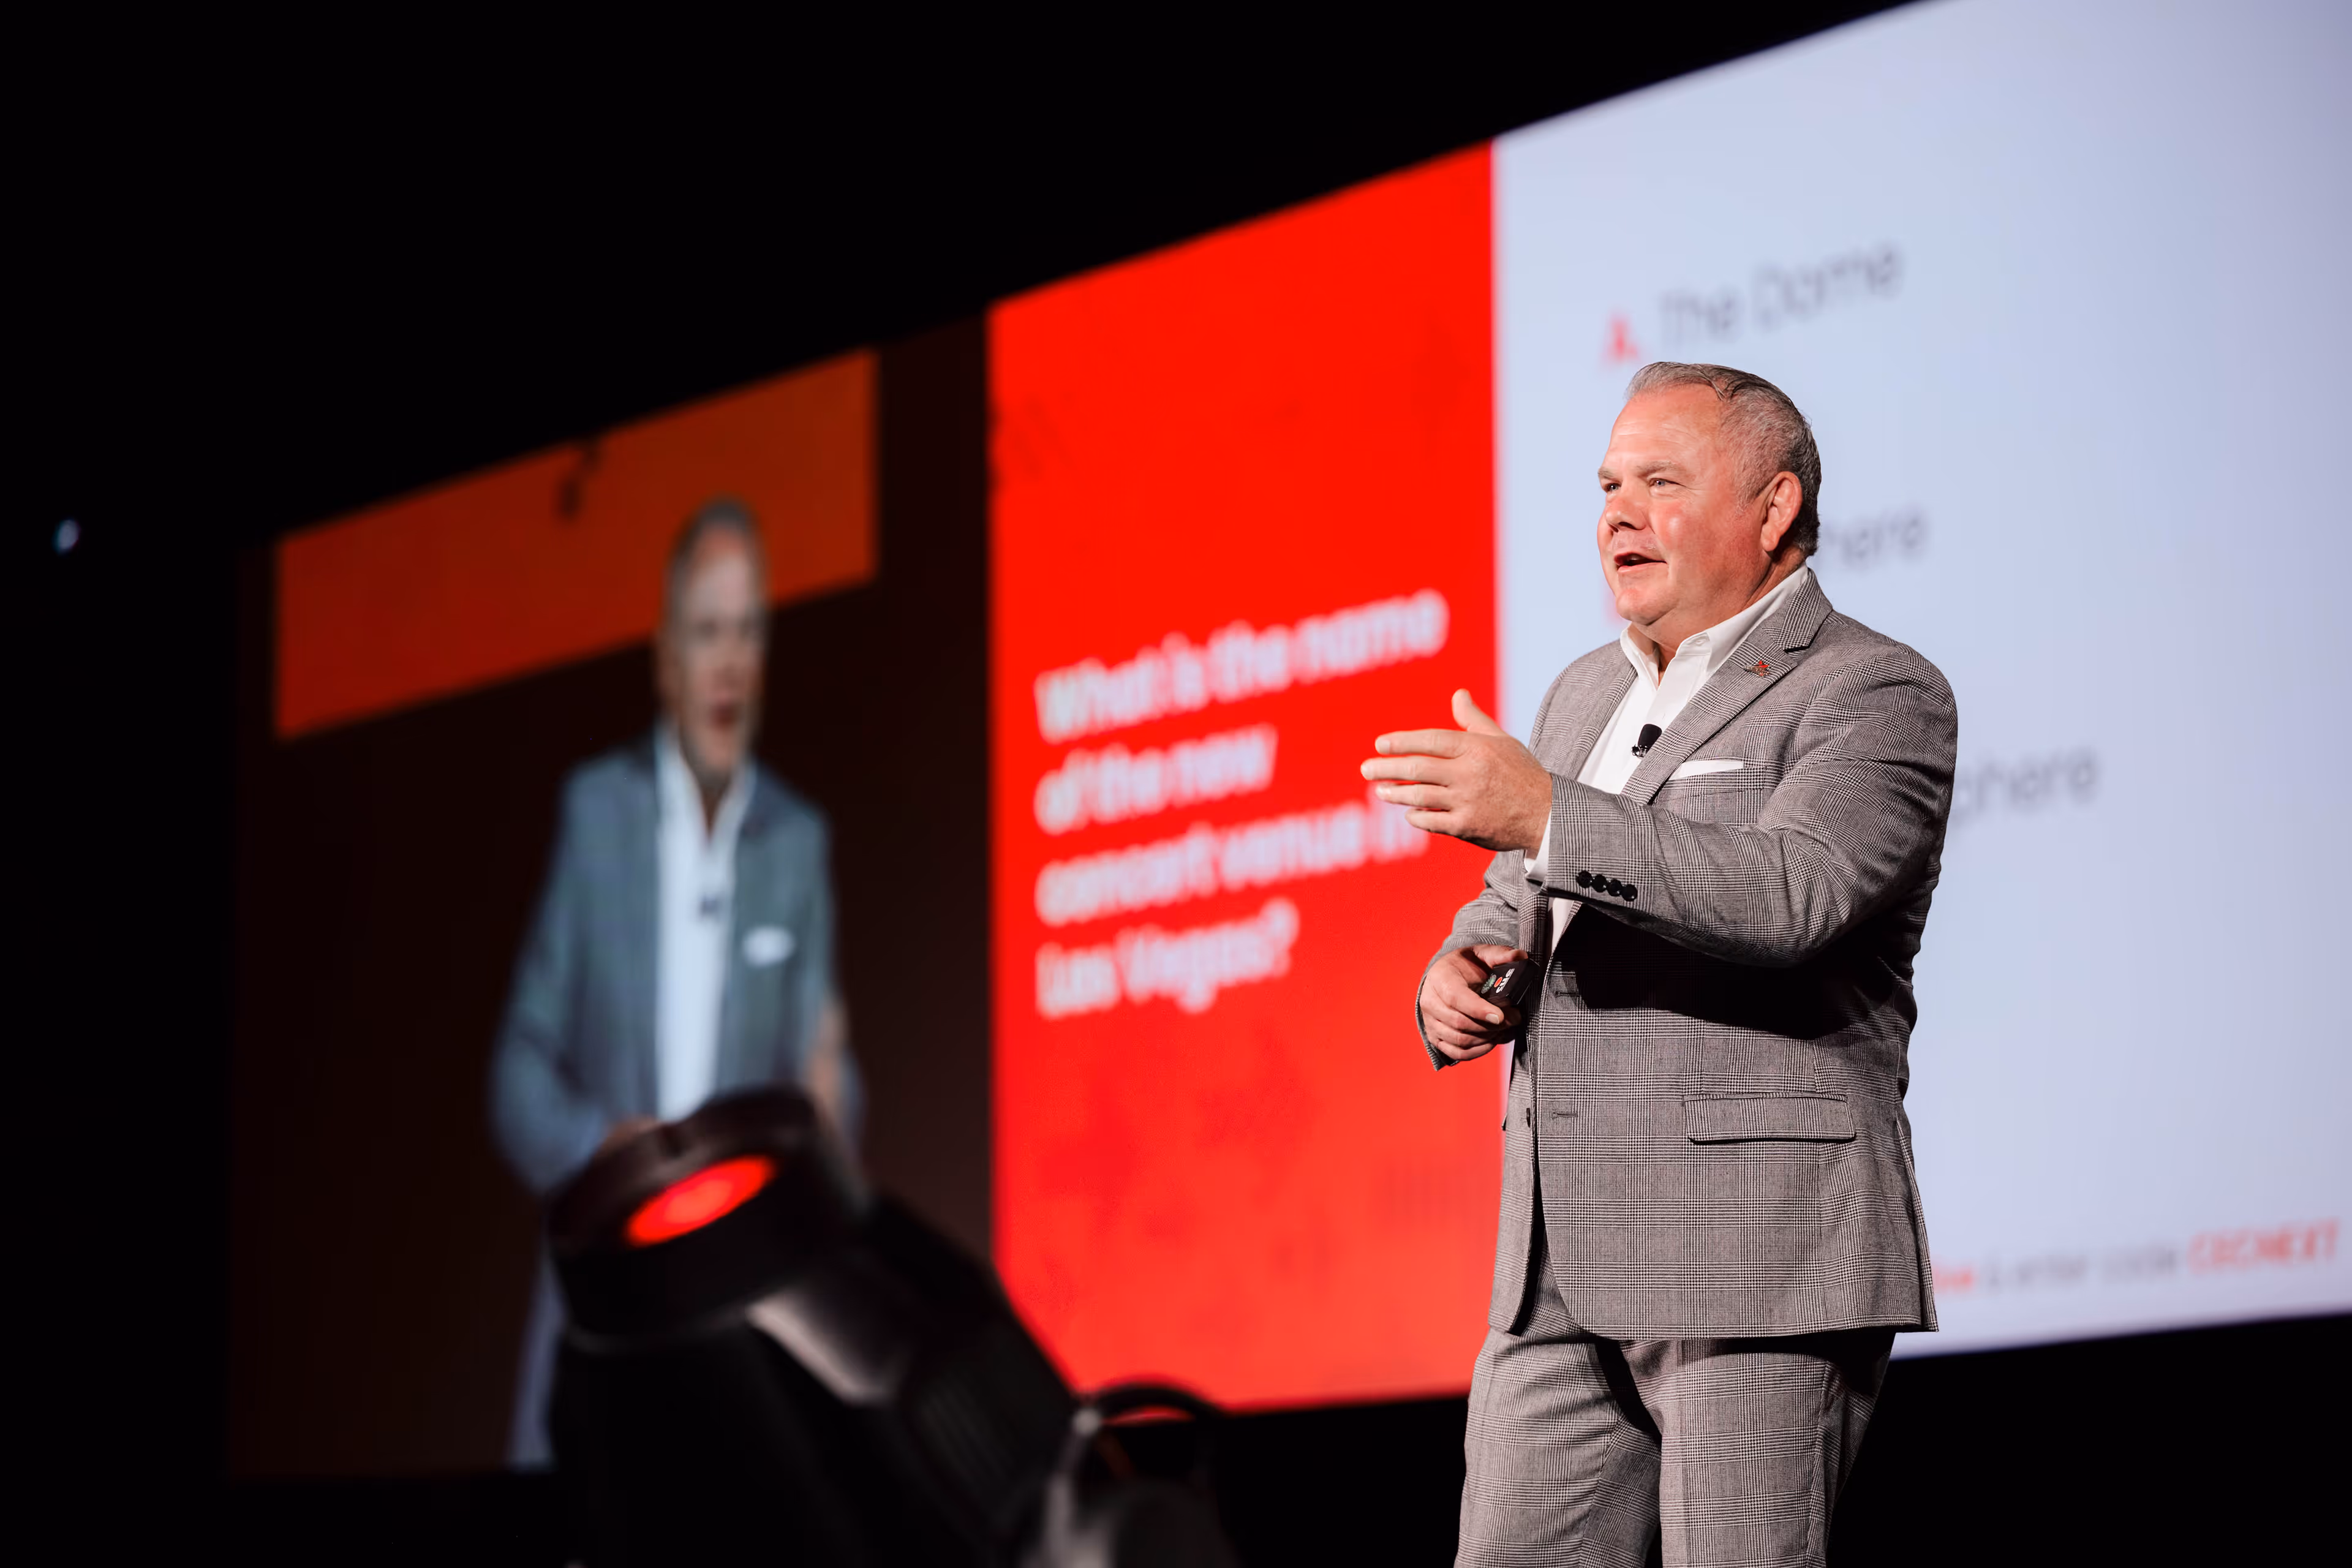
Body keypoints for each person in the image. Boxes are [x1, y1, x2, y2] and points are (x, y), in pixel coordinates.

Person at [1362, 363, 1953, 1567]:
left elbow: (1799, 893)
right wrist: (1460, 970)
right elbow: (1515, 893)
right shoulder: (1586, 689)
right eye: (1607, 485)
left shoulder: (1872, 688)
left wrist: (1546, 812)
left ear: (1774, 508)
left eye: (1660, 481)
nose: (1617, 514)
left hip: (1754, 1248)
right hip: (1557, 1252)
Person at [490, 496, 861, 1464]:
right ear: (665, 658)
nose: (731, 662)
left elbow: (829, 1089)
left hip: (743, 1310)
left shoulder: (799, 842)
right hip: (608, 1301)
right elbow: (519, 1070)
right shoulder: (596, 816)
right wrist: (600, 1156)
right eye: (708, 632)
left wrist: (831, 1107)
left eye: (749, 632)